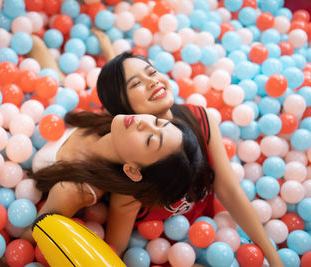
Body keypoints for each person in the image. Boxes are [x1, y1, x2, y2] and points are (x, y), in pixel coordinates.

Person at [96, 51, 284, 266]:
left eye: (152, 72)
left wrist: (274, 258)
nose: (152, 82)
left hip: (213, 232)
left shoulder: (199, 119)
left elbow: (229, 191)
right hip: (159, 251)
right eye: (136, 83)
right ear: (123, 109)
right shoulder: (133, 169)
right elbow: (114, 251)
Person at [23, 110, 214, 256]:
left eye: (149, 140)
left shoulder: (74, 191)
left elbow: (29, 239)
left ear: (132, 170)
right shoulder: (110, 120)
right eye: (156, 122)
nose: (143, 123)